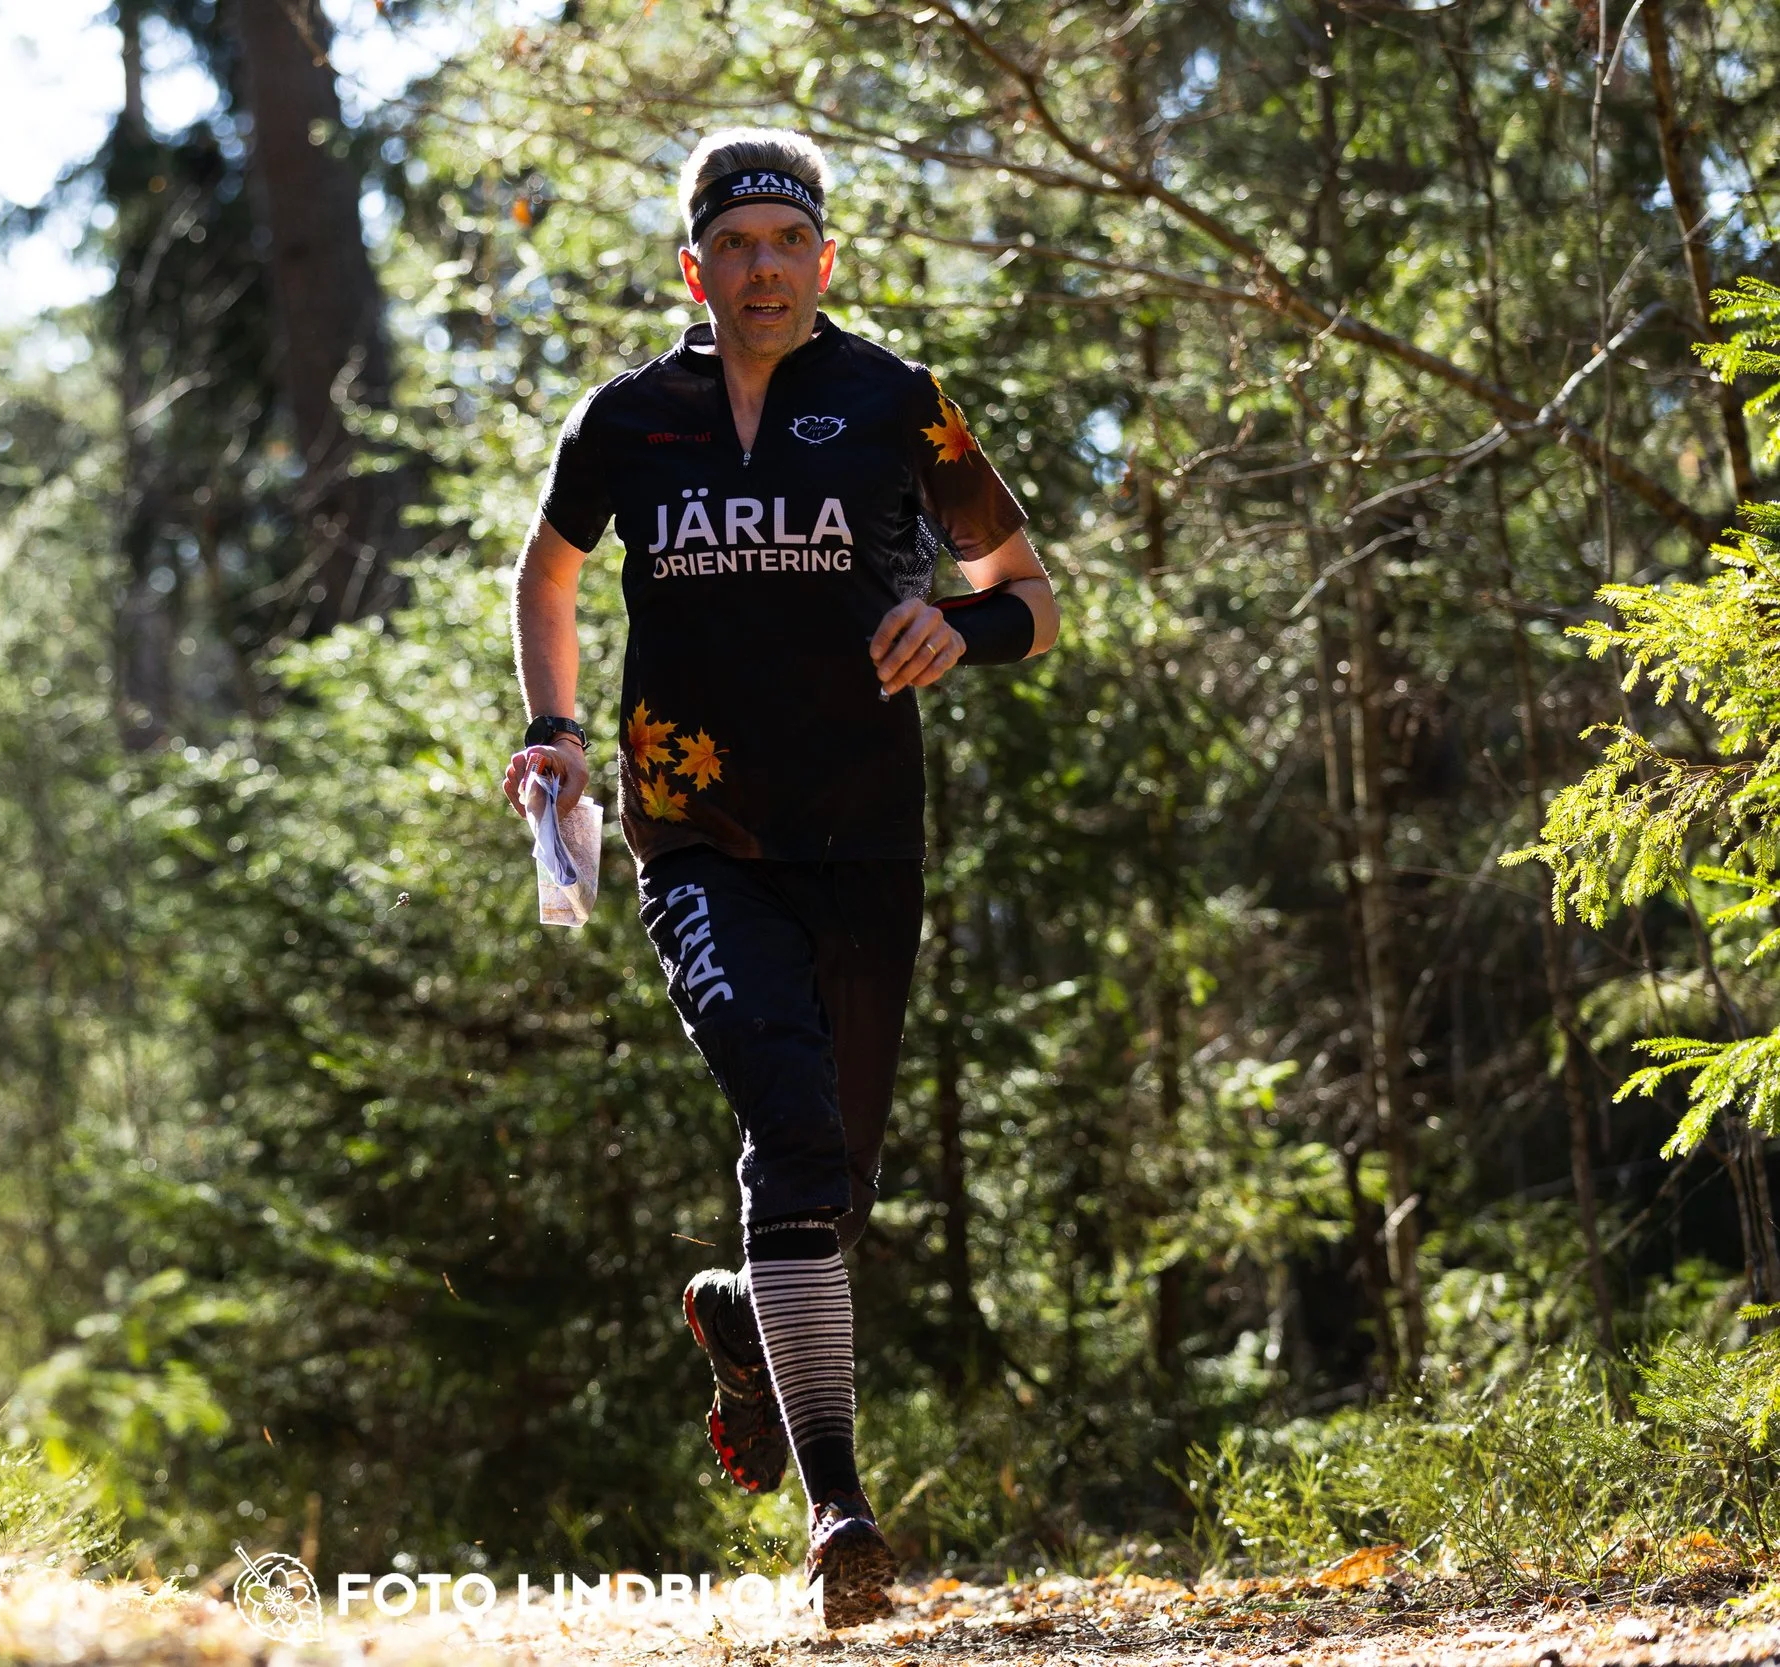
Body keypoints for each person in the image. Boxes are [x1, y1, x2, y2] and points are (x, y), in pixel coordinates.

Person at [499, 127, 1059, 1629]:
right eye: (736, 247)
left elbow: (1030, 597)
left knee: (833, 1186)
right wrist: (557, 733)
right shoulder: (631, 419)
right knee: (792, 1122)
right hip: (700, 839)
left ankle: (752, 1317)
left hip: (866, 840)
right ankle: (840, 1514)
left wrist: (959, 629)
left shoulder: (898, 404)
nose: (764, 270)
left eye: (787, 244)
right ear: (696, 271)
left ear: (825, 260)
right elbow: (547, 574)